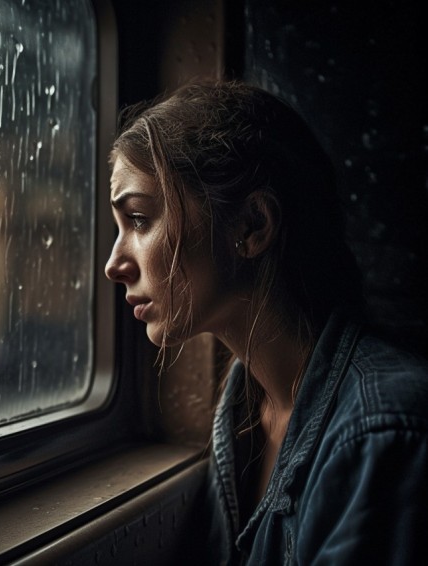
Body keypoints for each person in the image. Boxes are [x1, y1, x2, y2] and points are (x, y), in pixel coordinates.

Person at [104, 80, 428, 564]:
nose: (114, 264)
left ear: (252, 225)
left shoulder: (387, 432)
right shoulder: (241, 407)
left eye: (140, 219)